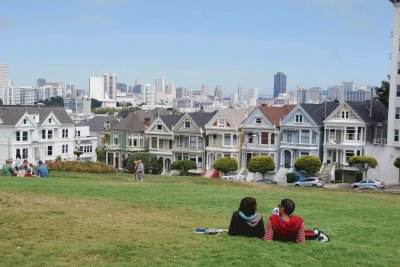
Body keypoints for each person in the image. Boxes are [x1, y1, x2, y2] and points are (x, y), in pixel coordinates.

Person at [264, 199, 330, 243]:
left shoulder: (273, 219)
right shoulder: (298, 221)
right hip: (293, 238)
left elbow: (268, 238)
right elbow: (301, 241)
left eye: (280, 206)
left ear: (282, 208)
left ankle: (317, 234)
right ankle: (317, 234)